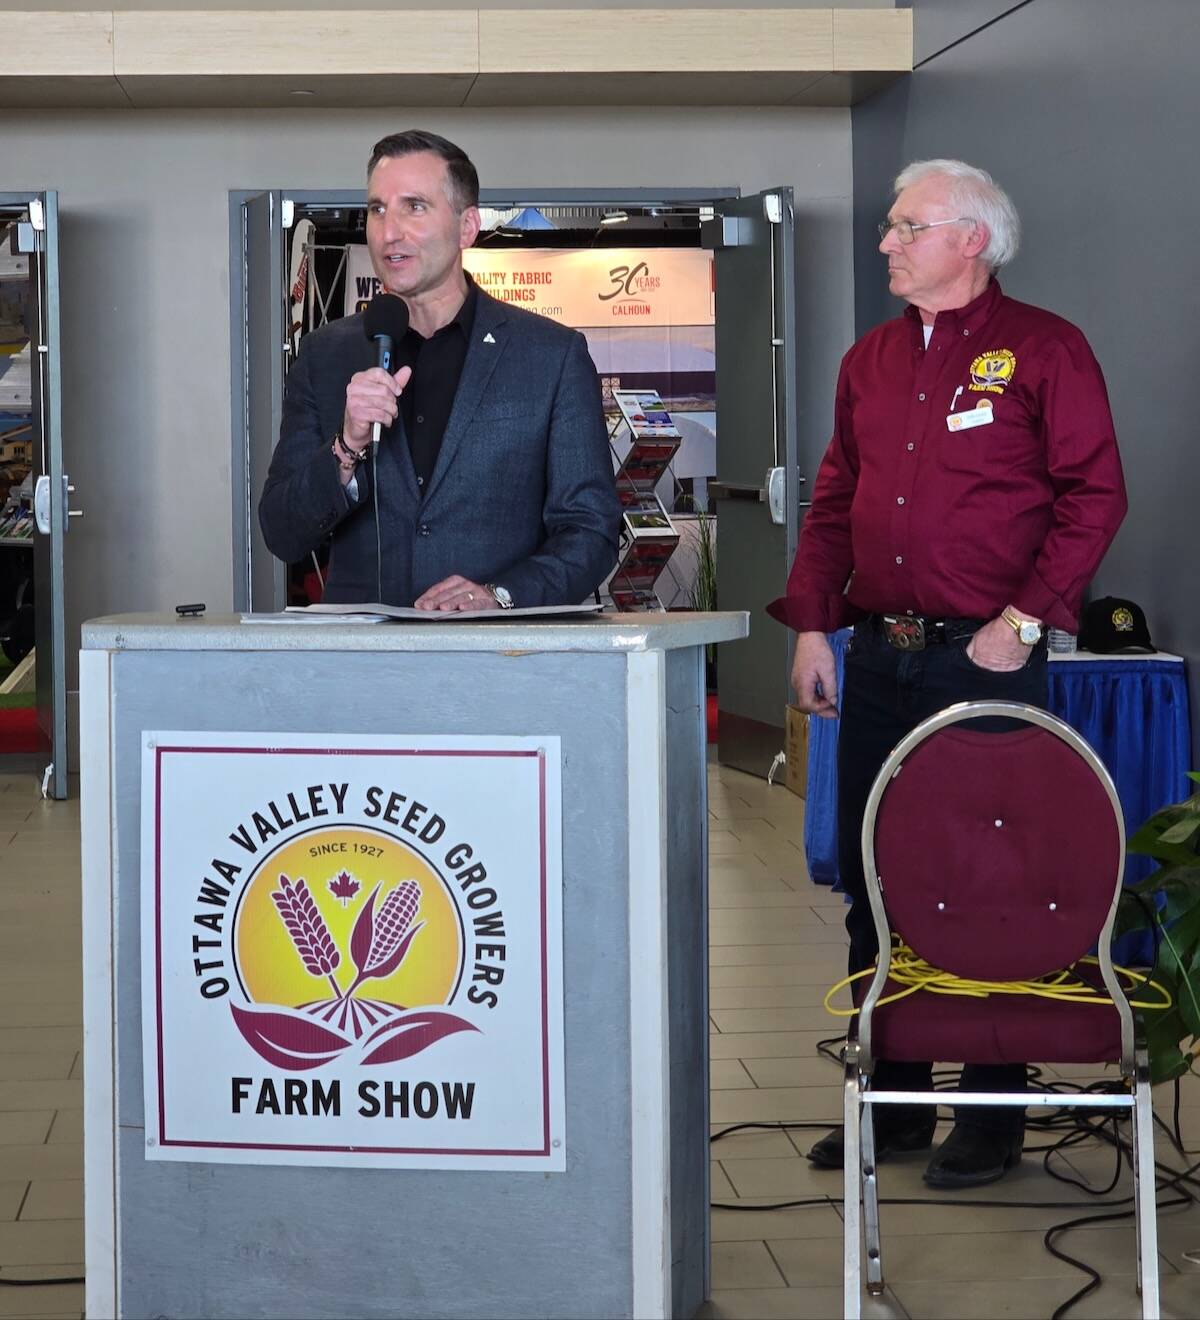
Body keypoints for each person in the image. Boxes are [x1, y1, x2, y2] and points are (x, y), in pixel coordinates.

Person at [768, 159, 1127, 1188]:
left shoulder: (1046, 350)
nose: (887, 241)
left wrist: (1022, 621)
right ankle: (894, 1100)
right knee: (879, 874)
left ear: (971, 239)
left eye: (906, 226)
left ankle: (992, 1113)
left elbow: (1093, 496)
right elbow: (835, 499)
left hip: (988, 653)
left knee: (990, 877)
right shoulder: (872, 359)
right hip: (880, 653)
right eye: (891, 226)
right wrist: (811, 630)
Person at [260, 130, 619, 611]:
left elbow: (591, 532)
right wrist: (345, 447)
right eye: (377, 209)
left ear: (467, 226)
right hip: (359, 668)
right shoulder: (326, 355)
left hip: (498, 663)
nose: (389, 232)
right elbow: (281, 533)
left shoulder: (551, 357)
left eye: (415, 207)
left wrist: (500, 595)